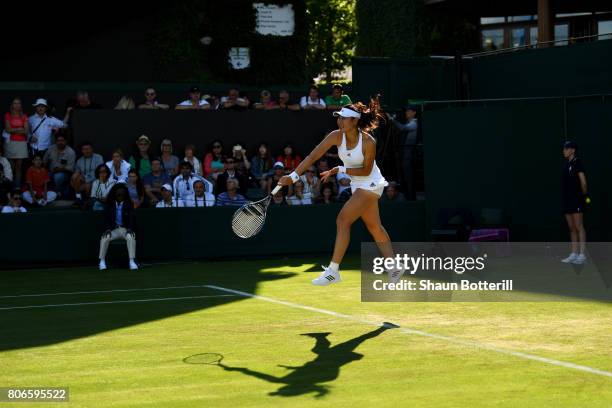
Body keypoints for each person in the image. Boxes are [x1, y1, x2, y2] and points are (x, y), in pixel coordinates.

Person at [277, 99, 402, 285]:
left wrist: (340, 169)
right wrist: (293, 176)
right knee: (375, 227)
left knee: (343, 220)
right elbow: (313, 156)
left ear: (354, 121)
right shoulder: (336, 136)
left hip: (371, 183)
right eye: (339, 118)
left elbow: (366, 171)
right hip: (357, 184)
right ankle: (395, 268)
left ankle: (333, 271)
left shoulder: (368, 142)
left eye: (344, 118)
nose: (339, 121)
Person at [98, 184, 138, 271]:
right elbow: (106, 218)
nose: (120, 192)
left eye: (122, 191)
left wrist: (130, 229)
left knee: (131, 237)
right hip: (113, 230)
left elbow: (132, 218)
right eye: (118, 191)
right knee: (104, 238)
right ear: (115, 193)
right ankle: (102, 261)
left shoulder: (129, 204)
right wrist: (108, 229)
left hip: (125, 229)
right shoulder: (109, 204)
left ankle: (131, 261)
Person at [561, 141, 588, 265]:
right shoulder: (566, 165)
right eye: (564, 149)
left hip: (577, 199)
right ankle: (574, 253)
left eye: (566, 149)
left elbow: (583, 182)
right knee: (571, 228)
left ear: (573, 150)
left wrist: (583, 196)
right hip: (567, 200)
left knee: (579, 227)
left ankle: (582, 255)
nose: (564, 151)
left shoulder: (578, 163)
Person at [392, 105, 418, 200]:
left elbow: (402, 128)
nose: (407, 112)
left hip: (409, 154)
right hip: (404, 153)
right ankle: (407, 196)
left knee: (409, 177)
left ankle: (411, 198)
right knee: (404, 177)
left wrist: (392, 120)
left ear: (414, 112)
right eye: (406, 111)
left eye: (409, 111)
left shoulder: (414, 123)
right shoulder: (409, 123)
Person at [4, 98, 30, 186]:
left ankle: (17, 187)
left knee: (19, 166)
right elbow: (7, 129)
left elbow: (26, 131)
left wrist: (14, 130)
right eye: (15, 103)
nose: (17, 105)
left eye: (18, 103)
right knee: (11, 166)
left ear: (20, 105)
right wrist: (20, 129)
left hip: (21, 143)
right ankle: (10, 187)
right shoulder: (8, 115)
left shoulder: (24, 116)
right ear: (12, 105)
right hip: (11, 143)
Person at [43, 133, 76, 198]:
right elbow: (44, 161)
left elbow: (70, 169)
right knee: (44, 175)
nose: (60, 142)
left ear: (66, 141)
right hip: (51, 172)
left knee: (58, 176)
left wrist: (59, 170)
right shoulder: (51, 149)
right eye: (58, 140)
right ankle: (47, 194)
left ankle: (57, 193)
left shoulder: (71, 152)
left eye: (62, 140)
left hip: (65, 174)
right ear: (56, 141)